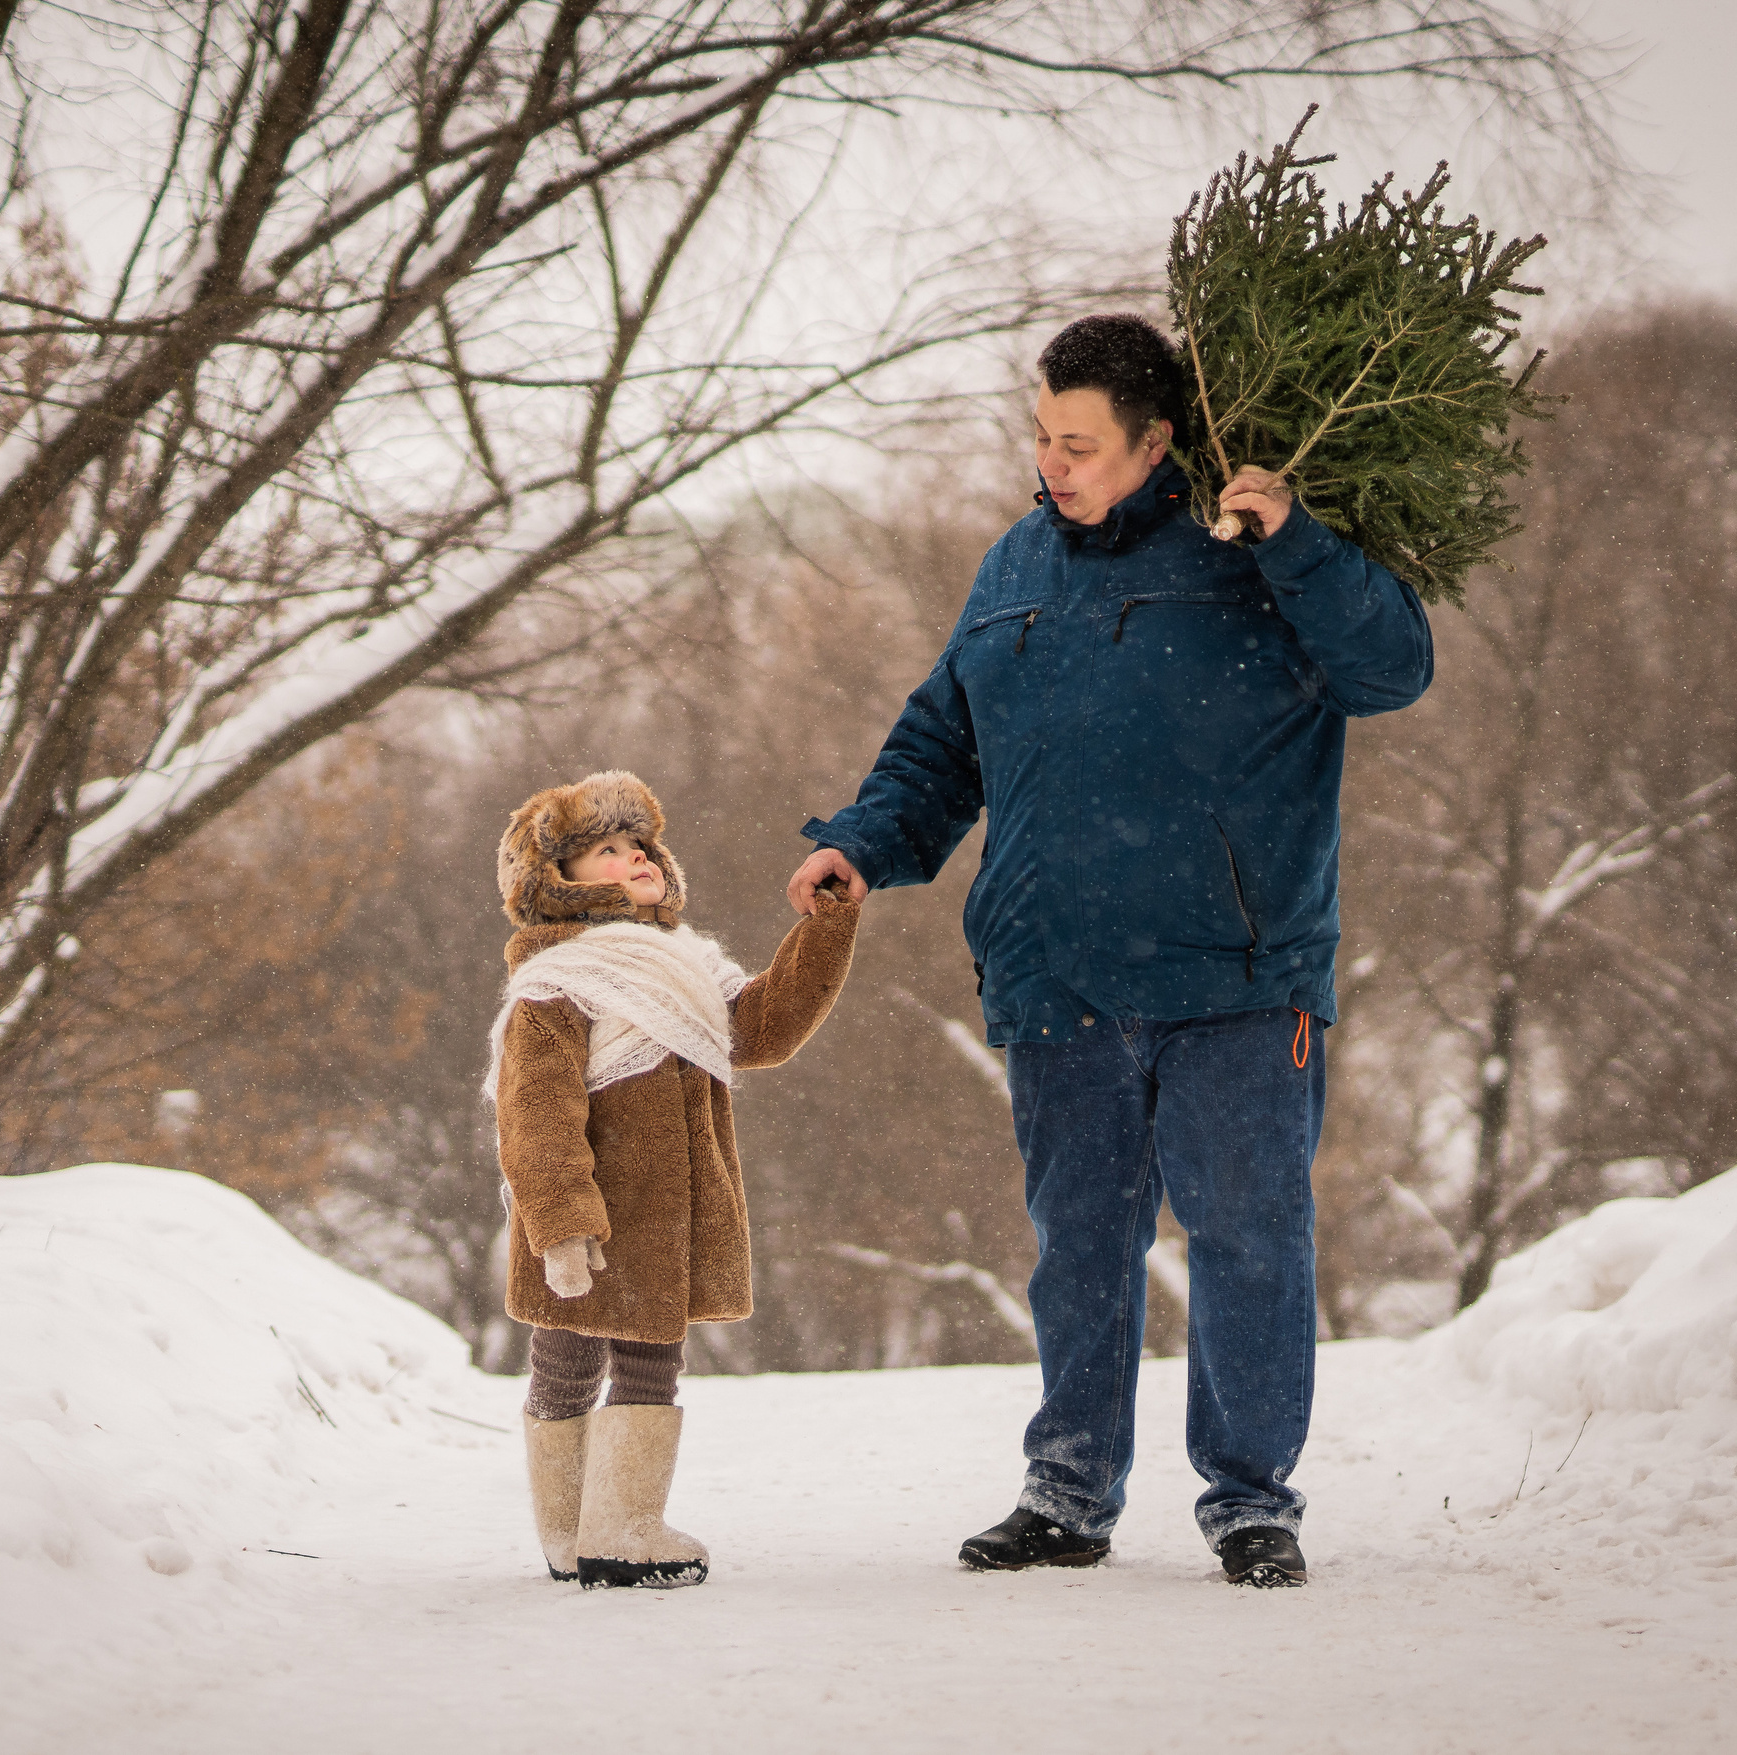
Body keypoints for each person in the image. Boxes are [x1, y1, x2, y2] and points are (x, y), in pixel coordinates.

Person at [788, 314, 1433, 1588]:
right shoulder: (1014, 567)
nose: (1053, 463)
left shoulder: (1253, 555)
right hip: (1056, 971)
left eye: (1079, 444)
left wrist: (1297, 540)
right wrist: (864, 842)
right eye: (1041, 436)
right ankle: (1068, 1491)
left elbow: (1391, 669)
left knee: (1247, 1237)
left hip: (1235, 976)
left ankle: (1252, 1501)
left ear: (1156, 444)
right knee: (1077, 1244)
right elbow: (943, 744)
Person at [487, 769, 860, 1587]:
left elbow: (763, 1028)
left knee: (652, 1357)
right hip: (589, 1214)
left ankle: (618, 1524)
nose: (634, 857)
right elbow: (535, 1111)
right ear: (559, 885)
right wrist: (561, 1221)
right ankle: (575, 1530)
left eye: (637, 844)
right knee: (565, 1354)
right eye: (605, 852)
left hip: (666, 1212)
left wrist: (825, 929)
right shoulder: (557, 981)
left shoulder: (685, 967)